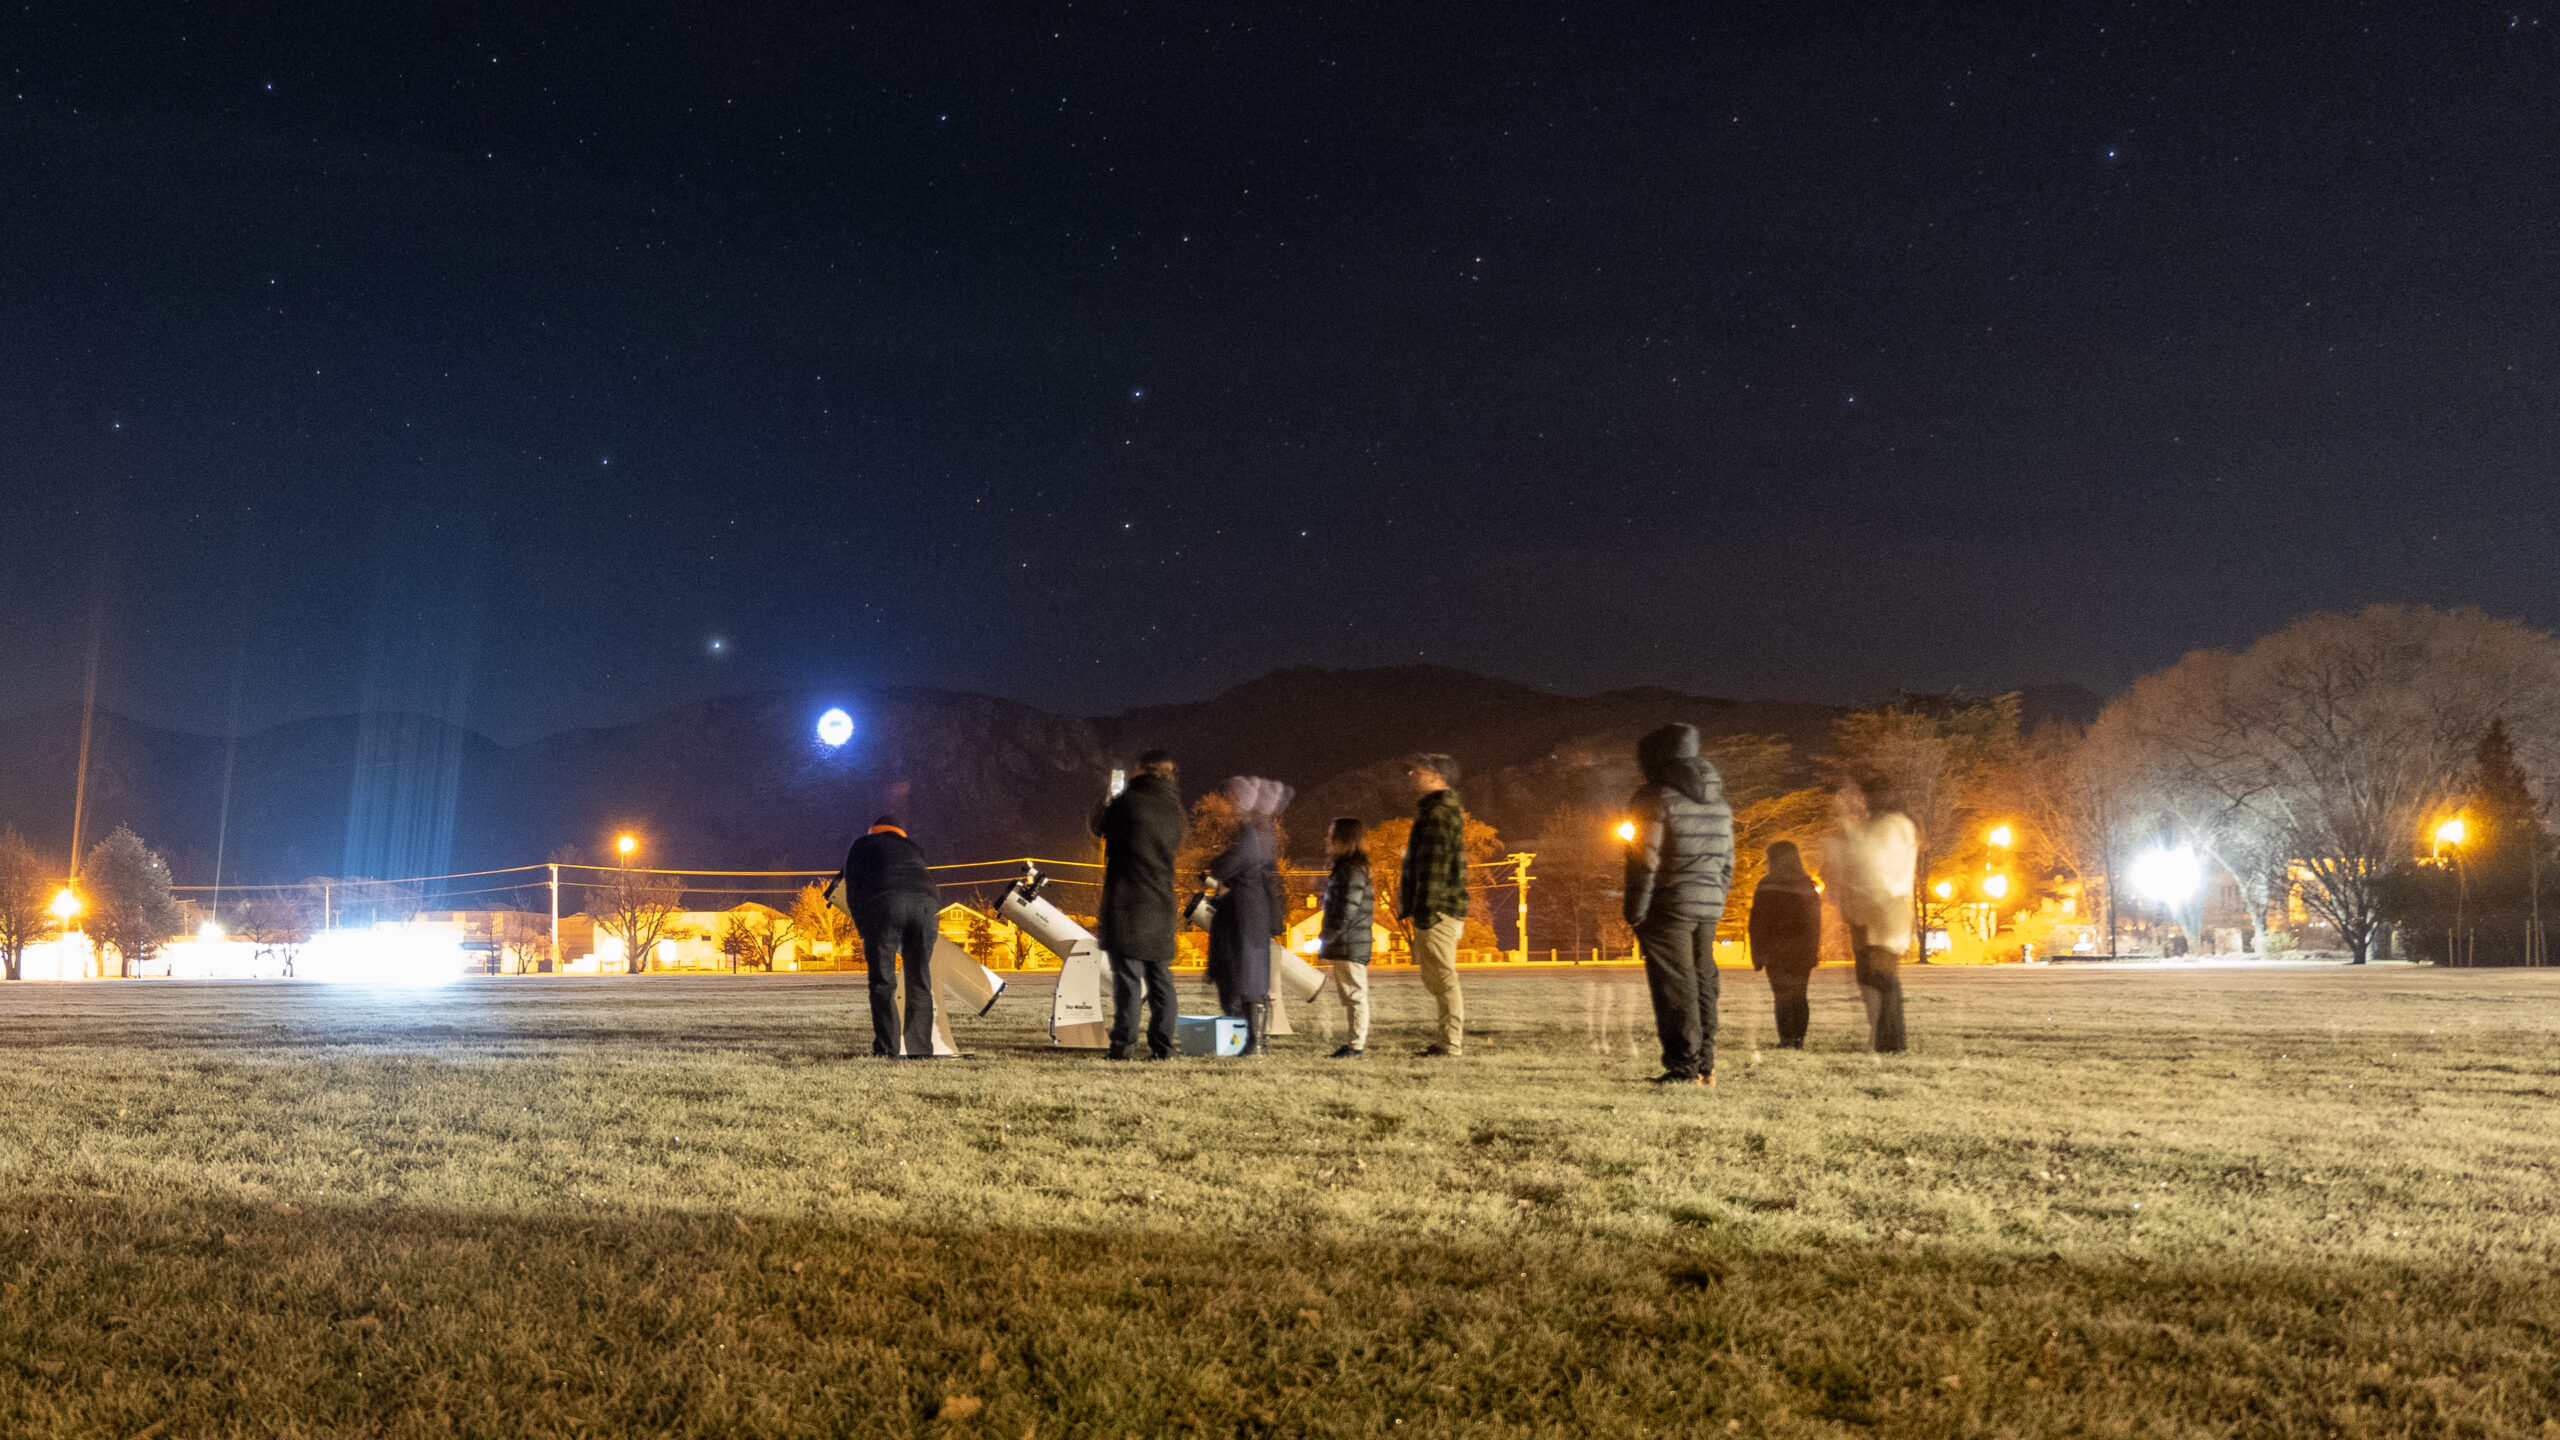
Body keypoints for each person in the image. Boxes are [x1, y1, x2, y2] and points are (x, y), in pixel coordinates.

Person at [1622, 724, 1735, 1085]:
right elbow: (1728, 862)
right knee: (1703, 982)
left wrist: (1636, 911)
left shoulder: (1653, 797)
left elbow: (1644, 860)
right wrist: (1715, 897)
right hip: (1708, 905)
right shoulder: (1718, 802)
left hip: (1668, 905)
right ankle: (1705, 1066)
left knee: (1675, 987)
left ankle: (1682, 1067)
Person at [1091, 750, 1185, 1060]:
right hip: (1160, 902)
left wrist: (1110, 795)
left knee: (1128, 982)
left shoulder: (1127, 803)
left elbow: (1098, 825)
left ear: (1141, 770)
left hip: (1127, 902)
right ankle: (1163, 1048)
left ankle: (1123, 1048)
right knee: (1161, 982)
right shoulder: (1176, 810)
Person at [1821, 785, 1915, 1053]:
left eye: (1863, 796)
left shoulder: (1889, 827)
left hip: (1880, 912)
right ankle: (1882, 1039)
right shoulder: (1896, 826)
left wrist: (1845, 836)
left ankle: (1889, 1042)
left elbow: (1871, 864)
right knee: (1873, 978)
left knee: (1880, 977)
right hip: (1874, 912)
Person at [843, 814, 940, 1058]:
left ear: (873, 831)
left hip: (885, 903)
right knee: (919, 980)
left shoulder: (863, 844)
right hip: (926, 905)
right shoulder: (913, 847)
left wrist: (864, 928)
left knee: (883, 982)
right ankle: (920, 1051)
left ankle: (888, 1050)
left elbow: (852, 888)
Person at [1397, 754, 1471, 1057]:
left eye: (1418, 770)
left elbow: (1435, 867)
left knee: (1443, 977)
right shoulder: (1436, 811)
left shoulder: (1438, 814)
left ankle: (1450, 1043)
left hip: (1438, 908)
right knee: (1436, 978)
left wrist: (1426, 910)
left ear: (1435, 775)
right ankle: (1446, 1040)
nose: (1412, 773)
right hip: (1438, 907)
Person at [1206, 776, 1283, 1054]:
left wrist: (1211, 871)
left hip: (1244, 915)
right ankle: (1250, 1042)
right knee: (1248, 978)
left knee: (1243, 978)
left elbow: (1233, 862)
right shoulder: (1258, 831)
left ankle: (1250, 1043)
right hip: (1251, 913)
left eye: (1228, 798)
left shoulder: (1247, 833)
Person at [1746, 840, 1823, 1049]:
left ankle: (1786, 1038)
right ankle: (1798, 1038)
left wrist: (1758, 953)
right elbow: (1814, 922)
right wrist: (1813, 951)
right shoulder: (1807, 885)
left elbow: (1757, 922)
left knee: (1781, 994)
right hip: (1802, 951)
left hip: (1775, 950)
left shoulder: (1767, 884)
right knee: (1799, 994)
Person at [1318, 816, 1375, 1059]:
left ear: (1344, 840)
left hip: (1350, 944)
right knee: (1350, 997)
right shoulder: (1347, 868)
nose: (1327, 839)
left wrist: (1328, 938)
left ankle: (1356, 1046)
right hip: (1347, 944)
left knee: (1355, 997)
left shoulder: (1351, 871)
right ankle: (1352, 1044)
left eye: (1332, 835)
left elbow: (1346, 911)